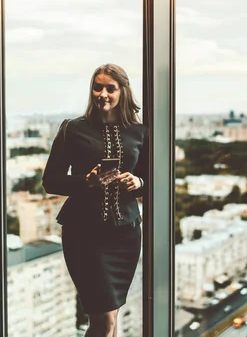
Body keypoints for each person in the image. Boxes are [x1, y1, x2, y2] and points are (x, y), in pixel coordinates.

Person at [42, 63, 148, 337]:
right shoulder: (72, 129)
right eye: (97, 86)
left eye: (110, 88)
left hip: (125, 236)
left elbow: (150, 180)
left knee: (110, 319)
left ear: (123, 91)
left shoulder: (139, 132)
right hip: (84, 235)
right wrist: (85, 182)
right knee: (103, 323)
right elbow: (50, 181)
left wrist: (138, 182)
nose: (102, 93)